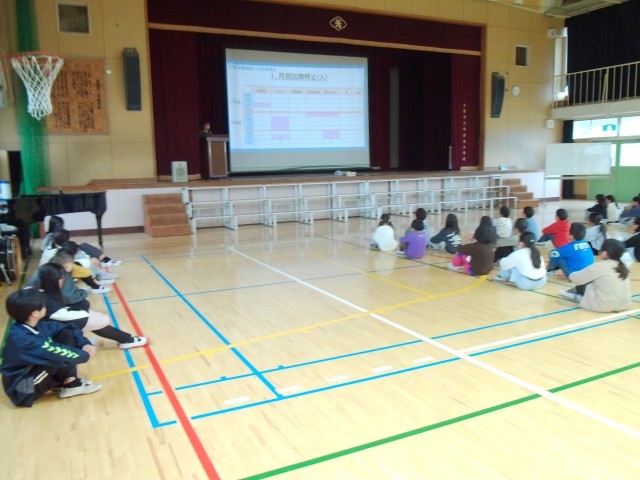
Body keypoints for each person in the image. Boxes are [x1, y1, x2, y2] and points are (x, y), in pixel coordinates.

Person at [1, 288, 101, 406]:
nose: (46, 306)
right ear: (35, 313)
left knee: (66, 334)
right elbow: (56, 353)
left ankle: (67, 381)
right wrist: (85, 355)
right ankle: (70, 384)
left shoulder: (33, 324)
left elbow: (67, 327)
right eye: (43, 305)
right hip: (22, 390)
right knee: (56, 357)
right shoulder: (22, 338)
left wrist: (84, 343)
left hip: (31, 374)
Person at [36, 263, 148, 350]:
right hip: (47, 332)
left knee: (86, 311)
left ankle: (126, 339)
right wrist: (90, 315)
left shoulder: (41, 289)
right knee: (92, 321)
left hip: (49, 326)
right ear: (57, 279)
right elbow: (63, 315)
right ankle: (127, 339)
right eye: (62, 276)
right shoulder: (47, 299)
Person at [561, 239, 631, 312]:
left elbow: (575, 278)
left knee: (587, 280)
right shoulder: (623, 266)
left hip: (604, 305)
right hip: (625, 304)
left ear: (604, 253)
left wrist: (569, 273)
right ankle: (575, 293)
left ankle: (576, 293)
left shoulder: (600, 266)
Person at [43, 215, 122, 268]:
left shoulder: (58, 234)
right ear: (57, 225)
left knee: (84, 245)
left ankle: (105, 259)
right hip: (61, 256)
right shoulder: (50, 237)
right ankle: (100, 261)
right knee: (80, 251)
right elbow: (48, 250)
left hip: (63, 252)